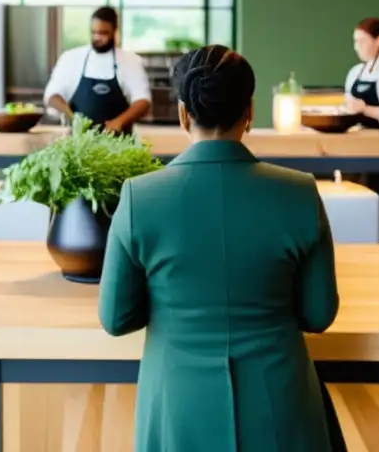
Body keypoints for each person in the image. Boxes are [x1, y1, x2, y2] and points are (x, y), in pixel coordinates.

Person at [98, 44, 346, 452]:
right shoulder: (299, 193)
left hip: (177, 403)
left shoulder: (139, 198)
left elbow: (116, 318)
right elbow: (319, 315)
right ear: (249, 112)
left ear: (182, 113)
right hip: (279, 401)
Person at [43, 7, 151, 134]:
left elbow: (143, 101)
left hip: (120, 143)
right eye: (94, 32)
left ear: (114, 31)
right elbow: (52, 95)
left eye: (103, 33)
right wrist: (71, 116)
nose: (97, 37)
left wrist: (118, 122)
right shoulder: (71, 58)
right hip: (79, 141)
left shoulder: (130, 61)